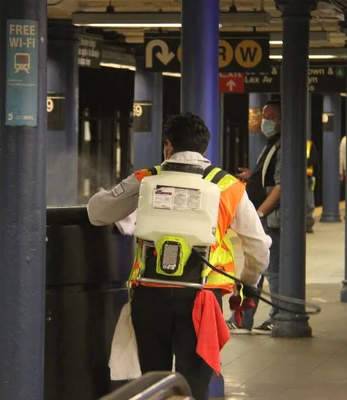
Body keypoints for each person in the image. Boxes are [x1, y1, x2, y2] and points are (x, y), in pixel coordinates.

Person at [87, 112, 271, 400]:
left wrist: (107, 193)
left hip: (150, 296)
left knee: (154, 382)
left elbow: (98, 214)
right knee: (193, 386)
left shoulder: (147, 179)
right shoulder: (228, 187)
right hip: (202, 299)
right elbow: (258, 246)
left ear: (168, 146)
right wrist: (248, 282)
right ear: (204, 149)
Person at [227, 100, 282, 334]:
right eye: (264, 116)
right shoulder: (271, 144)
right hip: (265, 218)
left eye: (271, 116)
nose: (265, 121)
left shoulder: (284, 146)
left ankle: (278, 318)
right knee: (257, 271)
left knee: (273, 271)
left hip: (271, 219)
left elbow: (282, 186)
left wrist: (259, 213)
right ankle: (242, 318)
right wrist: (254, 176)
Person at [306, 139, 318, 233]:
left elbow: (313, 159)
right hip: (301, 177)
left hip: (307, 177)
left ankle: (308, 224)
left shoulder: (309, 144)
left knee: (308, 202)